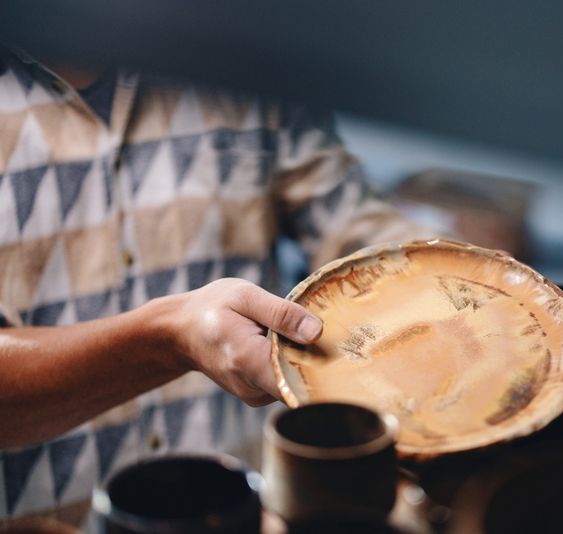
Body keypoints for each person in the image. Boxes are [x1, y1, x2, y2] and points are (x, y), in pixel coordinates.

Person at [0, 46, 431, 528]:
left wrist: (457, 283)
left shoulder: (238, 54)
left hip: (249, 510)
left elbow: (356, 225)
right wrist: (166, 337)